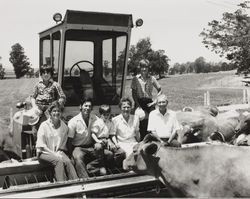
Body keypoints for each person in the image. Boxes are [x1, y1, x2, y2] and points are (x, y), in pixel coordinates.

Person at [36, 101, 78, 182]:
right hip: (44, 153)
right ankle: (62, 185)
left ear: (61, 112)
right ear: (50, 113)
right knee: (59, 161)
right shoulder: (44, 125)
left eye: (58, 111)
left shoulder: (64, 127)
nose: (56, 113)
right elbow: (41, 146)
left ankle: (76, 185)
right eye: (54, 111)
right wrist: (54, 154)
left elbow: (62, 145)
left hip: (58, 152)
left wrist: (59, 153)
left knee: (68, 162)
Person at [67, 98, 104, 178]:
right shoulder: (73, 121)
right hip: (78, 147)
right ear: (80, 107)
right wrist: (70, 155)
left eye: (89, 106)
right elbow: (69, 140)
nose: (87, 108)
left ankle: (90, 168)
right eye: (85, 105)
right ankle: (85, 180)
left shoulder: (95, 118)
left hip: (91, 146)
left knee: (108, 154)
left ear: (92, 108)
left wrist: (99, 142)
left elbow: (102, 129)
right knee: (78, 158)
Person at [31, 64, 66, 137]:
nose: (46, 74)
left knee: (51, 124)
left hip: (50, 106)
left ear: (51, 74)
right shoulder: (37, 85)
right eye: (44, 72)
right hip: (38, 106)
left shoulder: (55, 85)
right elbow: (32, 97)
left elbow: (62, 96)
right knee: (33, 123)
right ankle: (36, 140)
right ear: (41, 74)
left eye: (48, 72)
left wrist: (58, 104)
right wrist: (35, 107)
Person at [131, 59, 162, 140]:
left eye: (146, 67)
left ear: (148, 68)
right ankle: (141, 140)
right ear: (140, 67)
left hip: (149, 102)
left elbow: (160, 89)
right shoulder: (135, 79)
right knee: (141, 120)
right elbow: (134, 93)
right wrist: (138, 105)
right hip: (139, 102)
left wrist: (155, 101)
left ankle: (153, 139)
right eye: (142, 67)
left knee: (153, 118)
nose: (144, 69)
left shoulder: (152, 78)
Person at [91, 104, 125, 170]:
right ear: (101, 114)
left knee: (121, 152)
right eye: (104, 114)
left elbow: (112, 135)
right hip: (98, 141)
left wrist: (115, 143)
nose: (106, 116)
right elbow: (93, 134)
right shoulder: (97, 122)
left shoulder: (110, 122)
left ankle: (114, 166)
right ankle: (101, 166)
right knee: (99, 148)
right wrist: (98, 141)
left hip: (107, 140)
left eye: (108, 114)